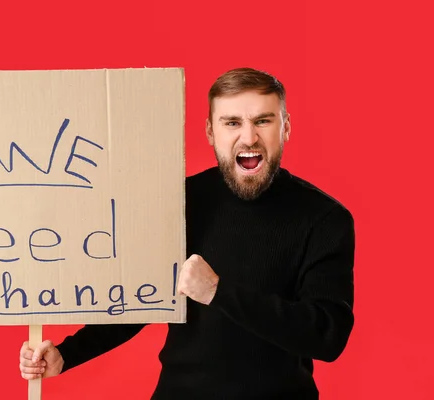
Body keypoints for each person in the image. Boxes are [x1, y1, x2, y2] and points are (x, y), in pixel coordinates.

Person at [18, 67, 355, 399]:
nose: (249, 137)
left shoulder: (324, 218)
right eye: (232, 122)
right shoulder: (180, 203)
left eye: (263, 121)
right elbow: (140, 302)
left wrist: (218, 292)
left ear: (286, 127)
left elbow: (326, 335)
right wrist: (68, 353)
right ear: (211, 131)